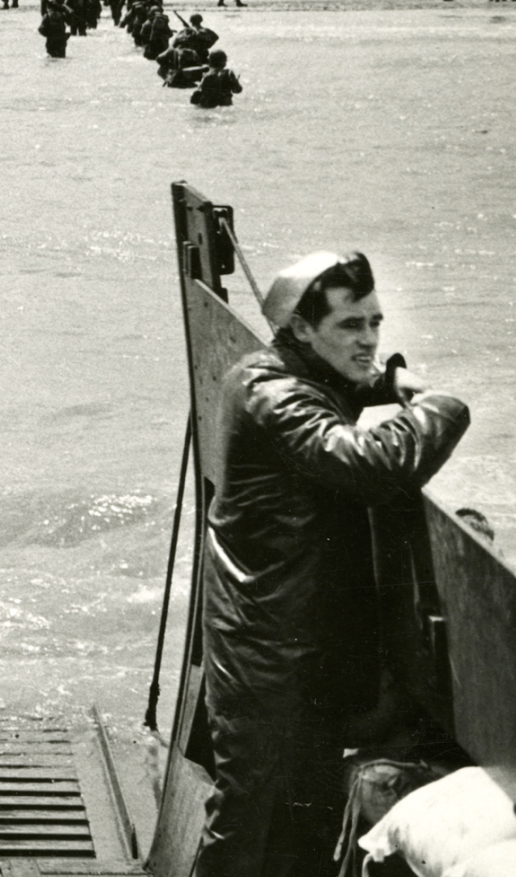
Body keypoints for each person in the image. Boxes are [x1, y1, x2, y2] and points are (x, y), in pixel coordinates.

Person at [194, 252, 468, 877]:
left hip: (291, 649)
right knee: (248, 824)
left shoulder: (273, 377)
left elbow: (327, 392)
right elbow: (365, 466)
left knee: (302, 823)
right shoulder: (271, 394)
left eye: (375, 323)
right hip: (267, 660)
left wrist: (381, 380)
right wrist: (441, 409)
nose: (369, 338)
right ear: (300, 329)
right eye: (350, 326)